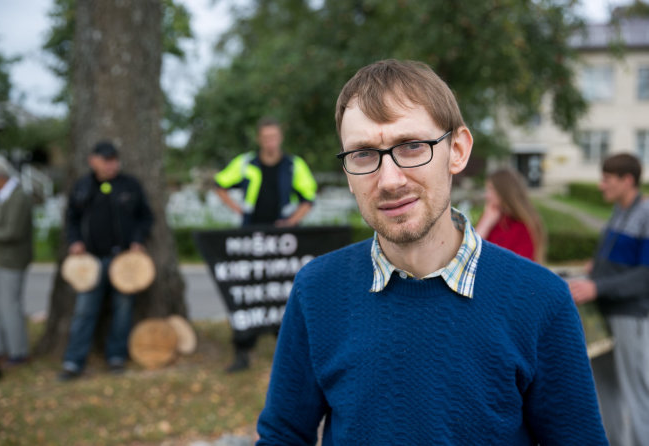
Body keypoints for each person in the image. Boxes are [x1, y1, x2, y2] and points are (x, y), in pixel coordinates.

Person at [256, 59, 607, 445]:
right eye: (363, 155)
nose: (389, 180)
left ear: (457, 150)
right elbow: (283, 435)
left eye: (411, 147)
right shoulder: (317, 290)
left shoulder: (542, 300)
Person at [214, 117, 317, 372]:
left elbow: (309, 197)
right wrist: (238, 209)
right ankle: (242, 349)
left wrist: (292, 222)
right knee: (248, 291)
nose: (270, 142)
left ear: (280, 137)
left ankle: (286, 348)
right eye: (266, 137)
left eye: (274, 136)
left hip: (282, 240)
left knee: (283, 291)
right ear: (259, 139)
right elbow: (220, 184)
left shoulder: (294, 165)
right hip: (251, 238)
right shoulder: (245, 162)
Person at [568, 153, 649, 446]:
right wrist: (594, 270)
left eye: (607, 179)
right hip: (603, 316)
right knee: (605, 391)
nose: (601, 185)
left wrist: (597, 287)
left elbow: (644, 276)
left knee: (637, 393)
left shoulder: (646, 214)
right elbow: (618, 261)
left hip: (630, 315)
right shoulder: (619, 210)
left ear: (627, 180)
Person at [58, 141, 154, 381]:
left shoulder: (130, 185)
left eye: (114, 160)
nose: (111, 164)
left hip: (124, 261)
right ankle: (73, 361)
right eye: (106, 160)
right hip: (91, 261)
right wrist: (75, 241)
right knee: (84, 311)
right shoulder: (83, 186)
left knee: (123, 310)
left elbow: (146, 216)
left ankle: (116, 357)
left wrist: (138, 240)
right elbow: (71, 219)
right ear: (93, 160)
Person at [0, 154, 33, 367]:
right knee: (0, 307)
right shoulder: (4, 196)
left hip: (14, 260)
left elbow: (12, 232)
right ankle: (1, 349)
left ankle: (18, 352)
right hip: (3, 259)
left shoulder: (18, 197)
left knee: (10, 306)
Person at [475, 167, 546, 262]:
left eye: (491, 189)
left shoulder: (523, 228)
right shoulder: (493, 219)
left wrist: (485, 224)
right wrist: (485, 223)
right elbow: (466, 257)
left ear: (504, 192)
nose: (486, 195)